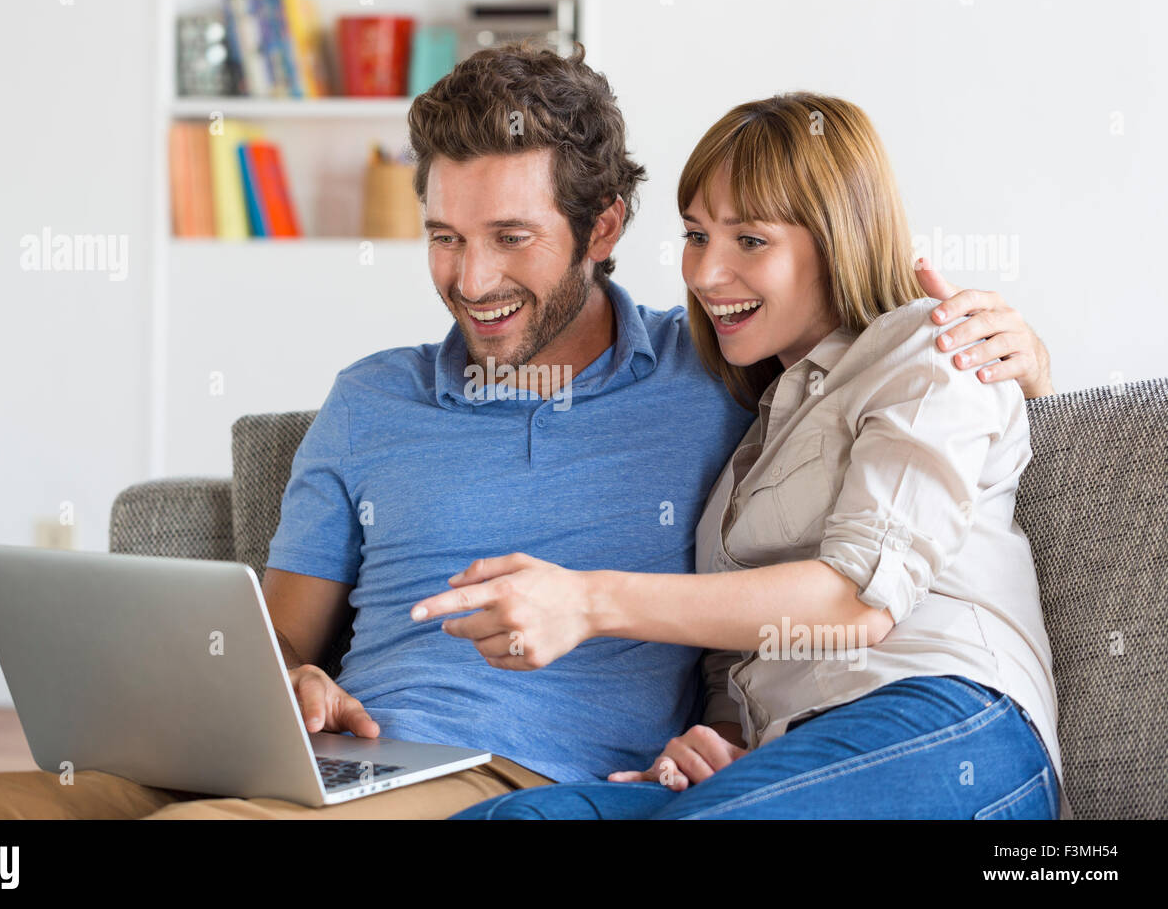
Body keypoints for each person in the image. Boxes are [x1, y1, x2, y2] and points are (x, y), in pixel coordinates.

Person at [0, 46, 1054, 820]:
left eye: (512, 238)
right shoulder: (368, 397)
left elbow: (880, 386)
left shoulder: (714, 370)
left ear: (603, 226)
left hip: (508, 774)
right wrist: (289, 686)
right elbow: (273, 638)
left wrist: (1019, 350)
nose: (470, 282)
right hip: (326, 757)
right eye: (441, 237)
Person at [444, 92, 1065, 820]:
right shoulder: (754, 425)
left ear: (838, 236)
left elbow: (853, 603)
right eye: (696, 235)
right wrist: (724, 739)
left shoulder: (931, 347)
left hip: (945, 724)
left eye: (750, 240)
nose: (705, 274)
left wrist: (587, 601)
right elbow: (748, 653)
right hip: (792, 754)